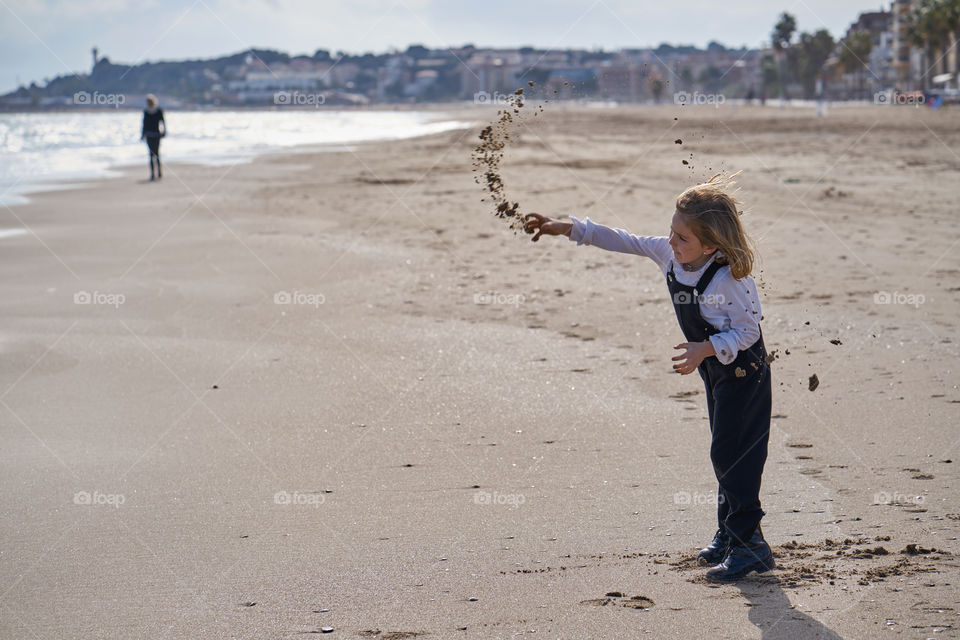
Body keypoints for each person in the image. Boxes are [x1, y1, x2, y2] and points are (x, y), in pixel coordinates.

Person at [522, 173, 775, 582]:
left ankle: (751, 546)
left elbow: (749, 331)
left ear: (711, 244)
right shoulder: (670, 256)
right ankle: (731, 536)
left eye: (682, 238)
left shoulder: (731, 278)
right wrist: (566, 227)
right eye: (672, 232)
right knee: (723, 450)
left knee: (733, 456)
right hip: (714, 367)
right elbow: (624, 239)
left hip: (745, 370)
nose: (671, 243)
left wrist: (705, 348)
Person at [140, 94, 166, 181]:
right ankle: (152, 174)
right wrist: (142, 134)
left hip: (156, 135)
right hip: (149, 135)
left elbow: (163, 122)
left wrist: (164, 131)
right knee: (151, 155)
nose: (148, 103)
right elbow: (144, 124)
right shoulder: (146, 111)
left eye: (149, 101)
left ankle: (159, 172)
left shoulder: (159, 111)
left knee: (157, 154)